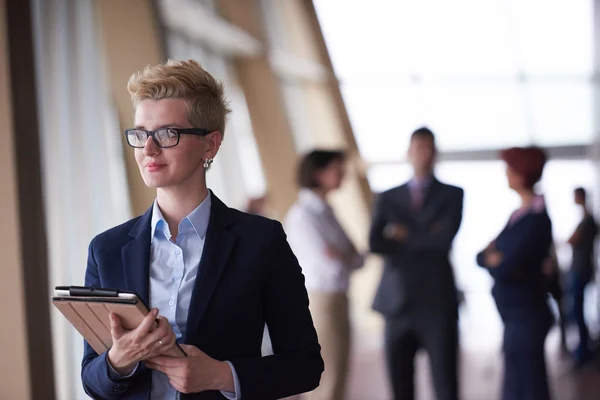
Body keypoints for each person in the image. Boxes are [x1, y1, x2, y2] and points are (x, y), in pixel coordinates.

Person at [80, 59, 323, 400]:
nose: (148, 149)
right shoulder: (106, 249)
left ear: (210, 145)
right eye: (140, 134)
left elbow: (305, 365)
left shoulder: (261, 242)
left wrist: (222, 375)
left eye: (167, 133)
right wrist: (118, 362)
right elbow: (92, 380)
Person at [369, 127, 463, 400]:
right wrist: (426, 233)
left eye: (429, 149)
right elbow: (376, 243)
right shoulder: (387, 197)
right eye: (419, 148)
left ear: (436, 154)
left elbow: (442, 241)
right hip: (396, 302)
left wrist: (403, 233)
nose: (424, 155)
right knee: (400, 387)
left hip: (437, 303)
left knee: (445, 385)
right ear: (409, 153)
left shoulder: (453, 194)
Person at [284, 149, 364, 400]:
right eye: (337, 169)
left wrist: (342, 255)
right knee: (325, 380)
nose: (343, 175)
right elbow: (333, 265)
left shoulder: (325, 210)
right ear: (319, 173)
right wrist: (343, 256)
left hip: (338, 297)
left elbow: (357, 258)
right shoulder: (303, 215)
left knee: (338, 375)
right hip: (320, 302)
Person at [477, 146, 553, 400]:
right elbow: (483, 256)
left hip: (526, 315)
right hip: (516, 317)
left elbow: (505, 266)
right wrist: (495, 259)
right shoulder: (520, 216)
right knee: (516, 384)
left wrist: (497, 259)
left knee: (528, 386)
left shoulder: (535, 219)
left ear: (522, 173)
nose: (506, 174)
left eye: (510, 169)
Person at [567, 187, 598, 366]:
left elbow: (572, 240)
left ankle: (583, 351)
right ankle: (582, 349)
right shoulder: (586, 220)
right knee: (577, 310)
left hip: (582, 270)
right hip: (582, 269)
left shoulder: (588, 221)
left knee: (577, 311)